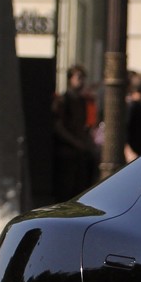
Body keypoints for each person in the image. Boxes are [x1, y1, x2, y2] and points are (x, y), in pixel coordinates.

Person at [50, 64, 96, 199]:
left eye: (83, 78)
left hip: (80, 150)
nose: (81, 81)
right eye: (78, 78)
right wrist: (75, 142)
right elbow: (58, 127)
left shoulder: (83, 101)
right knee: (65, 187)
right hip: (67, 150)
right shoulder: (63, 100)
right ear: (70, 79)